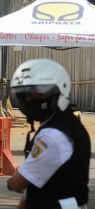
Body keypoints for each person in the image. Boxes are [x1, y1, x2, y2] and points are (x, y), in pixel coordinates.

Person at [7, 59, 90, 209]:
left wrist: (11, 183)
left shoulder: (52, 135)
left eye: (40, 94)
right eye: (28, 96)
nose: (33, 101)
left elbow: (19, 182)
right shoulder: (68, 122)